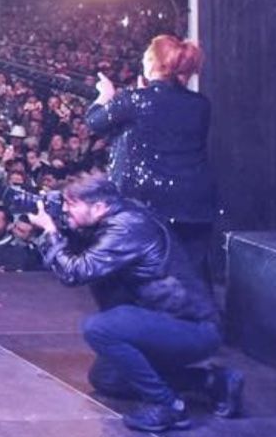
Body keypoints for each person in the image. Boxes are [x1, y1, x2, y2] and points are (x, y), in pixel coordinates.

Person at [29, 174, 240, 433]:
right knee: (106, 379)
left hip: (192, 326)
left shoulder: (127, 226)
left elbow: (75, 272)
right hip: (164, 319)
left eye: (71, 204)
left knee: (100, 328)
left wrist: (51, 232)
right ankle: (211, 381)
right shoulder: (117, 215)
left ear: (98, 207)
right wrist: (65, 228)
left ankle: (169, 406)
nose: (63, 209)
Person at [86, 35, 217, 282]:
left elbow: (95, 122)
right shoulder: (200, 104)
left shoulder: (134, 100)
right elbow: (164, 125)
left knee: (141, 271)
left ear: (152, 63)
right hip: (194, 199)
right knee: (191, 272)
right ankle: (199, 317)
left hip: (145, 201)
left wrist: (105, 95)